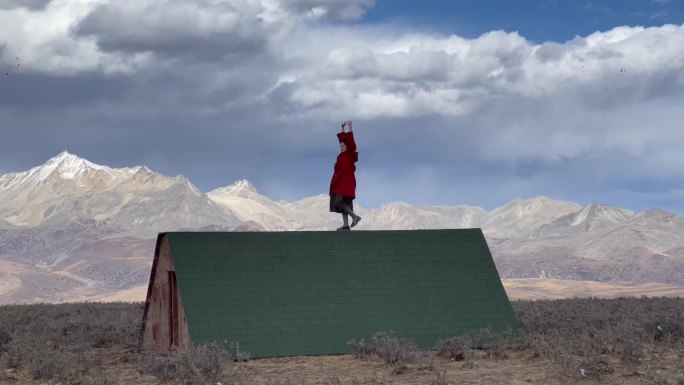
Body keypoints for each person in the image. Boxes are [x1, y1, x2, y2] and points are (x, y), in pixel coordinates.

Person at [329, 120, 362, 231]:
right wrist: (342, 130)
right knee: (345, 204)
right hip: (341, 184)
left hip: (345, 184)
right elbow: (343, 140)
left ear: (347, 147)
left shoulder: (350, 154)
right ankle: (346, 225)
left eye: (343, 146)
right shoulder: (340, 156)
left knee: (339, 203)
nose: (341, 147)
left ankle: (355, 217)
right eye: (340, 146)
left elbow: (351, 143)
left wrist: (350, 128)